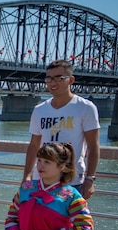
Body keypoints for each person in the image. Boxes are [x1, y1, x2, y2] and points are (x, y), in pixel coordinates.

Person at [23, 59, 99, 200]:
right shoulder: (39, 110)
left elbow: (93, 147)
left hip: (72, 180)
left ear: (71, 80)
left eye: (59, 78)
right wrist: (27, 175)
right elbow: (34, 145)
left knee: (68, 221)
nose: (52, 83)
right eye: (49, 78)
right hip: (41, 179)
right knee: (38, 220)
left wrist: (90, 179)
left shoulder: (86, 108)